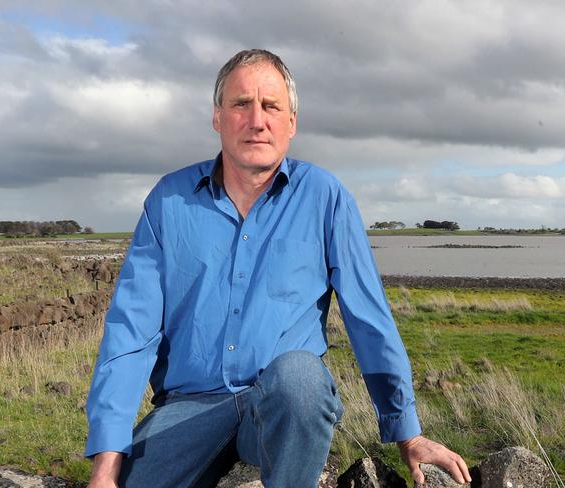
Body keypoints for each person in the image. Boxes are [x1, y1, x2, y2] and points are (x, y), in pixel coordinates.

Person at [85, 49, 471, 488]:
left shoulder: (325, 197)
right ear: (217, 117)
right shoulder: (168, 201)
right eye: (240, 104)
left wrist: (408, 434)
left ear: (291, 122)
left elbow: (369, 318)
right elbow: (131, 332)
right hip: (187, 408)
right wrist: (106, 463)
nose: (257, 120)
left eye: (271, 106)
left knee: (300, 377)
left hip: (282, 408)